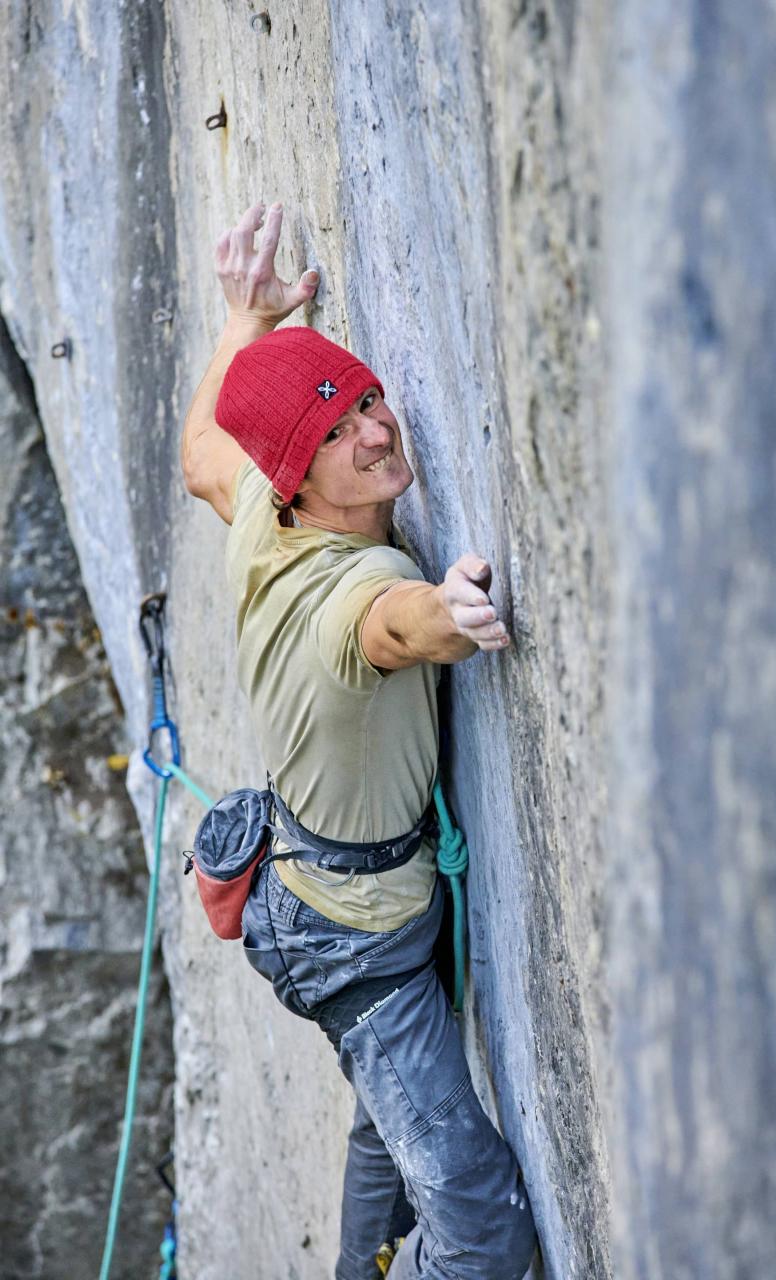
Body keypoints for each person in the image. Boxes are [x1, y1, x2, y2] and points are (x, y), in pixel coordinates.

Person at [181, 199, 537, 1279]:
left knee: (390, 1122)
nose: (376, 432)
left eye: (368, 400)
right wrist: (457, 613)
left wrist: (245, 316)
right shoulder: (365, 588)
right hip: (355, 938)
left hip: (318, 889)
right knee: (480, 1231)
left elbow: (205, 450)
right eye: (336, 434)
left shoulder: (262, 505)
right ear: (298, 475)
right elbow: (389, 627)